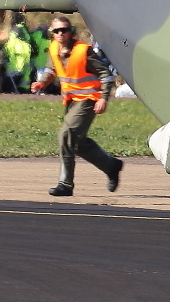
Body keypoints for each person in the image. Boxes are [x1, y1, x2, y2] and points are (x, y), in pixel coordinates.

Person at [33, 15, 123, 195]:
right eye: (56, 31)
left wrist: (103, 98)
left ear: (71, 32)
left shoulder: (83, 51)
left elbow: (106, 75)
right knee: (77, 143)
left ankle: (65, 185)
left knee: (66, 134)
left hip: (88, 100)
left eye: (64, 30)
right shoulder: (53, 49)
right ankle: (111, 165)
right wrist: (42, 82)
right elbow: (52, 70)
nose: (60, 34)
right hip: (71, 101)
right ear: (52, 33)